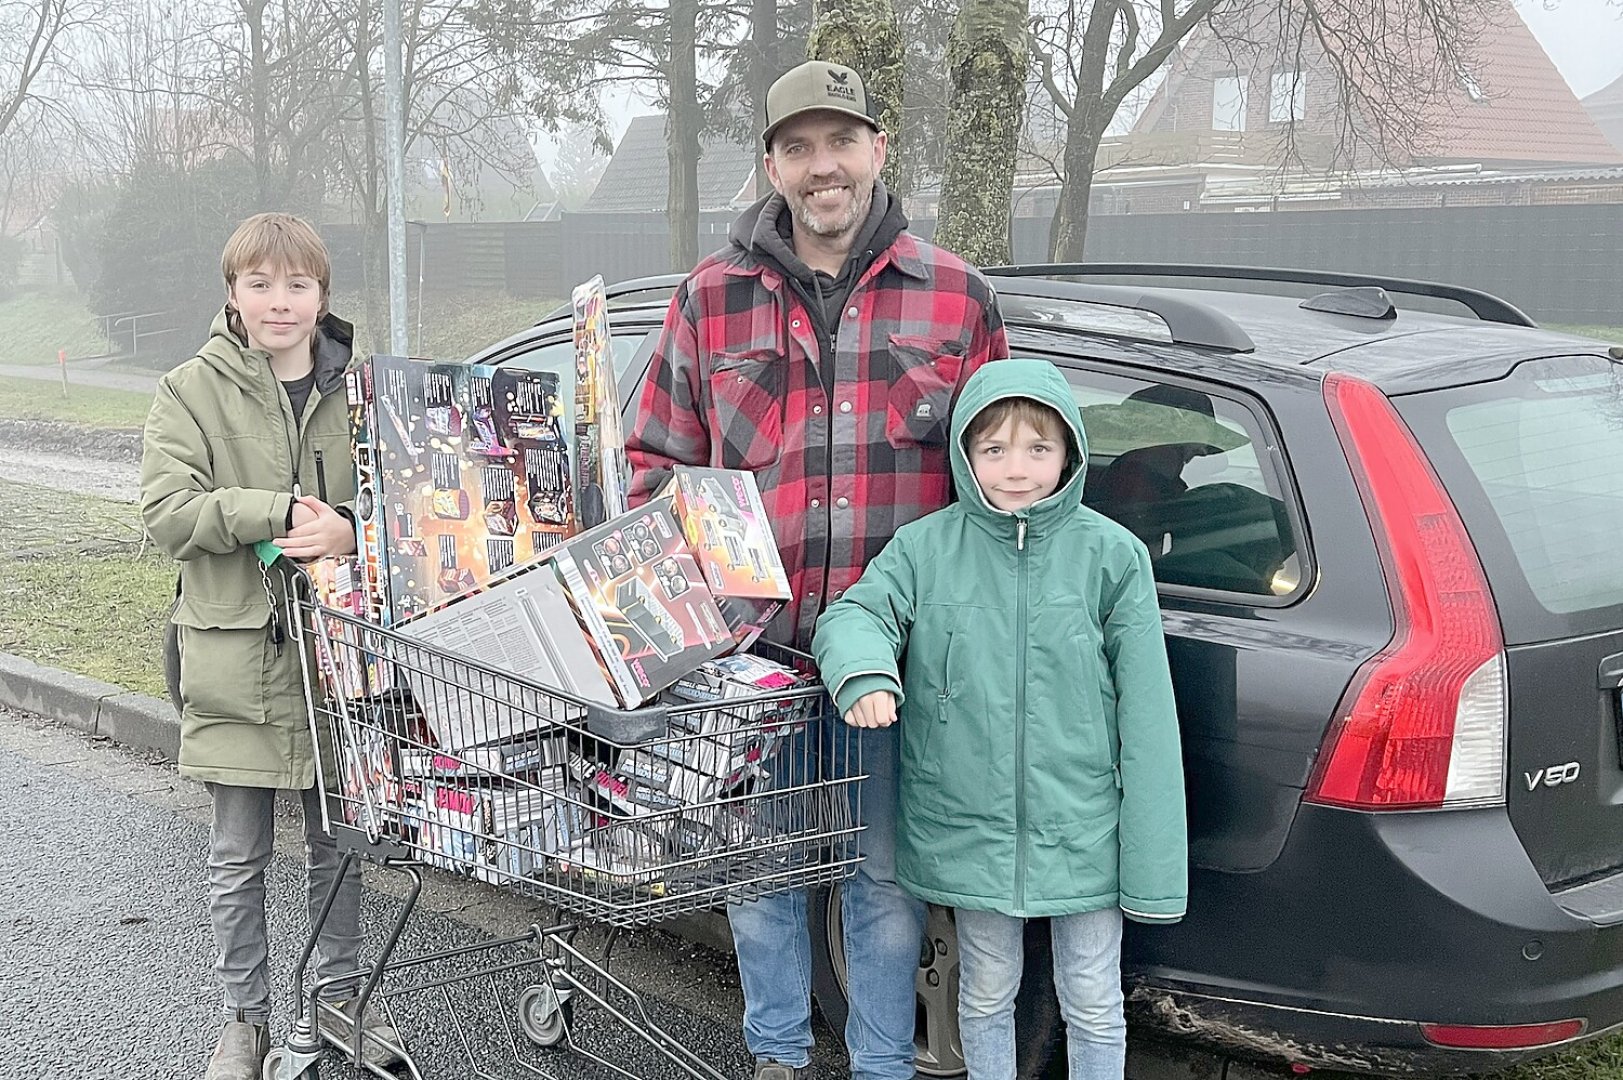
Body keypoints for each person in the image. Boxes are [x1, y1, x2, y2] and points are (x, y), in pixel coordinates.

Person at [625, 59, 1009, 1080]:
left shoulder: (957, 299)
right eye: (798, 147)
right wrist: (695, 579)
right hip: (759, 668)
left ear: (879, 151)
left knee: (886, 888)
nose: (821, 166)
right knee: (762, 880)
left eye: (840, 142)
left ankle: (882, 1068)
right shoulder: (709, 301)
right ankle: (778, 1061)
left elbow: (1002, 486)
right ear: (771, 165)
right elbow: (655, 465)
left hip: (897, 672)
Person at [812, 359, 1188, 1080]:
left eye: (1036, 449)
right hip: (969, 825)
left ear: (1068, 454)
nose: (1016, 468)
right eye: (994, 450)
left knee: (1092, 996)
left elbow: (1146, 719)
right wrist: (863, 672)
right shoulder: (928, 549)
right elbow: (857, 613)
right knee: (984, 992)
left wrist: (1150, 863)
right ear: (965, 454)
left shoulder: (1110, 557)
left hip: (1083, 824)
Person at [140, 213, 400, 1079]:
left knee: (339, 850)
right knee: (237, 855)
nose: (279, 302)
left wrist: (352, 533)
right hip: (233, 662)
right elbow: (168, 514)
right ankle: (243, 1021)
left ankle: (337, 1004)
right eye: (260, 284)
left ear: (322, 294)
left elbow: (409, 511)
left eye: (296, 285)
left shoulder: (365, 393)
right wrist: (275, 512)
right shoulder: (189, 391)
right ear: (233, 293)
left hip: (339, 668)